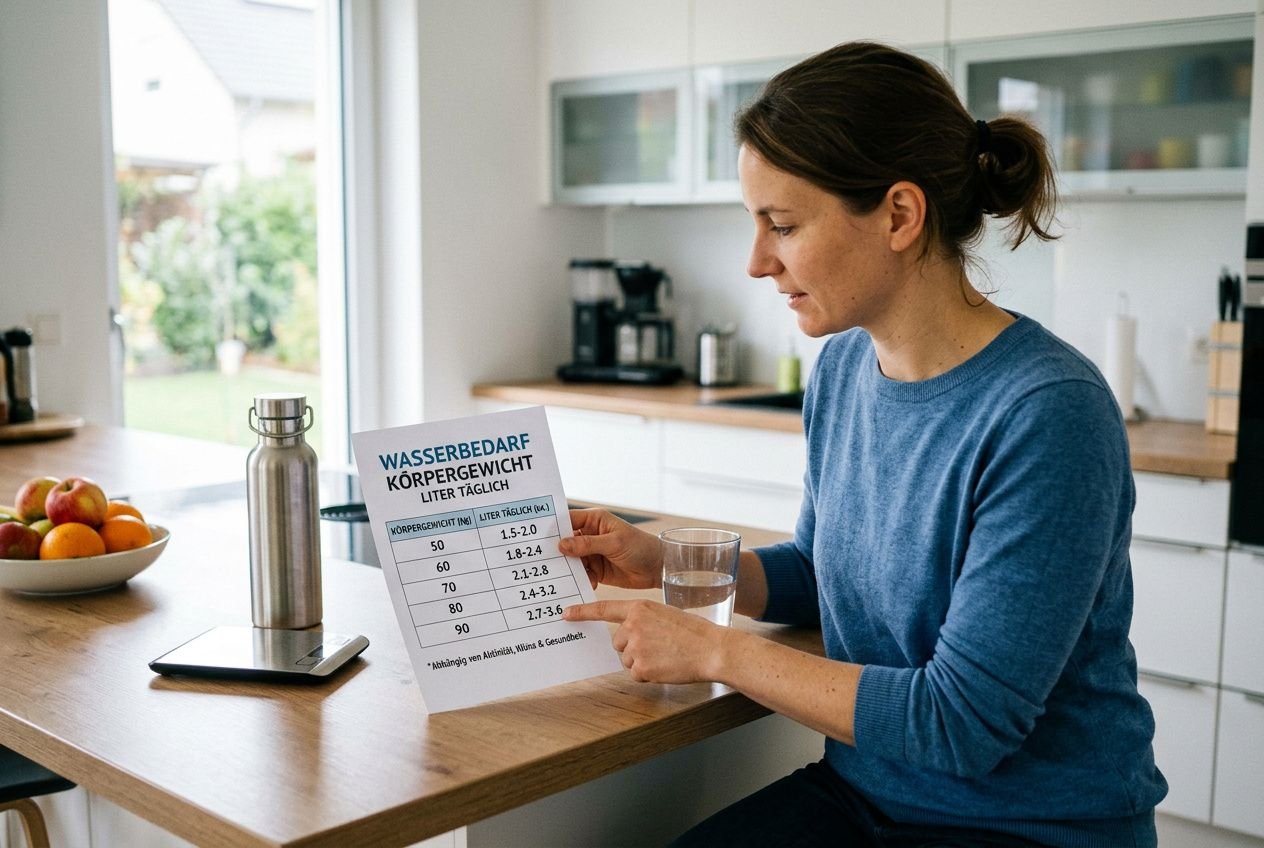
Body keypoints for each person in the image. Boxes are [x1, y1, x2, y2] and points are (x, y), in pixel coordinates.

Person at [559, 41, 1166, 848]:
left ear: (900, 216)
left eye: (782, 225)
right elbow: (823, 575)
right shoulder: (846, 366)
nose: (756, 261)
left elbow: (962, 724)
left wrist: (714, 651)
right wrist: (664, 563)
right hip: (869, 793)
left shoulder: (1049, 414)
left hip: (1031, 827)